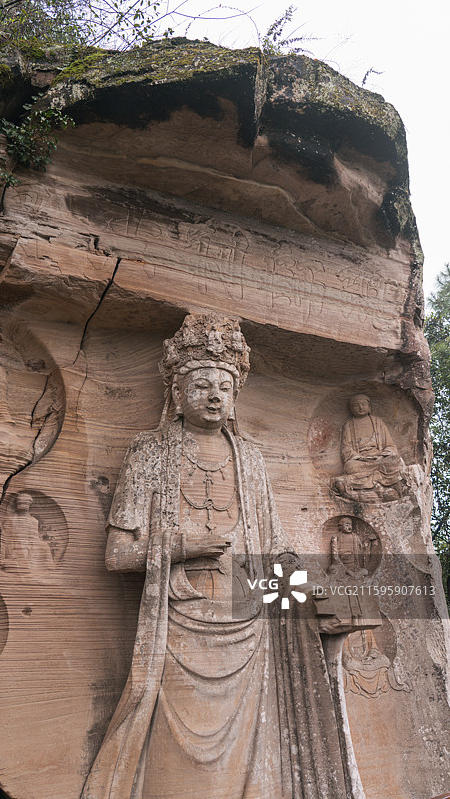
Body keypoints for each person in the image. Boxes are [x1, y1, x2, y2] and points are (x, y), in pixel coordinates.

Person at [83, 315, 358, 799]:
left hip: (250, 628)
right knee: (176, 763)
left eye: (225, 387)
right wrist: (182, 547)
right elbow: (117, 554)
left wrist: (309, 587)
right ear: (176, 391)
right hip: (179, 626)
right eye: (201, 384)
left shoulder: (249, 459)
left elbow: (274, 553)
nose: (214, 395)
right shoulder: (148, 453)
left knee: (253, 758)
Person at [334, 394, 406, 502]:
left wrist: (381, 456)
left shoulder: (378, 422)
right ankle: (381, 485)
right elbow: (346, 448)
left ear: (369, 407)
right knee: (350, 467)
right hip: (361, 460)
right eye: (356, 405)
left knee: (395, 460)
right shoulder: (349, 425)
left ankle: (373, 484)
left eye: (363, 404)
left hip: (380, 458)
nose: (360, 407)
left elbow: (390, 445)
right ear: (351, 409)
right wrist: (360, 457)